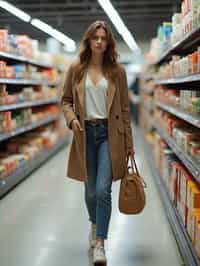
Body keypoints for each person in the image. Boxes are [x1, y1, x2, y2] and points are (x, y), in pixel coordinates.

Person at [61, 20, 134, 264]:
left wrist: (129, 144)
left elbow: (124, 110)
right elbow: (66, 101)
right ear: (89, 41)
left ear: (108, 42)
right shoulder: (76, 69)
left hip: (109, 135)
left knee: (103, 190)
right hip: (84, 134)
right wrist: (71, 120)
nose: (100, 42)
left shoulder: (117, 72)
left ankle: (100, 243)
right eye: (95, 37)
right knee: (90, 190)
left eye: (103, 38)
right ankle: (94, 223)